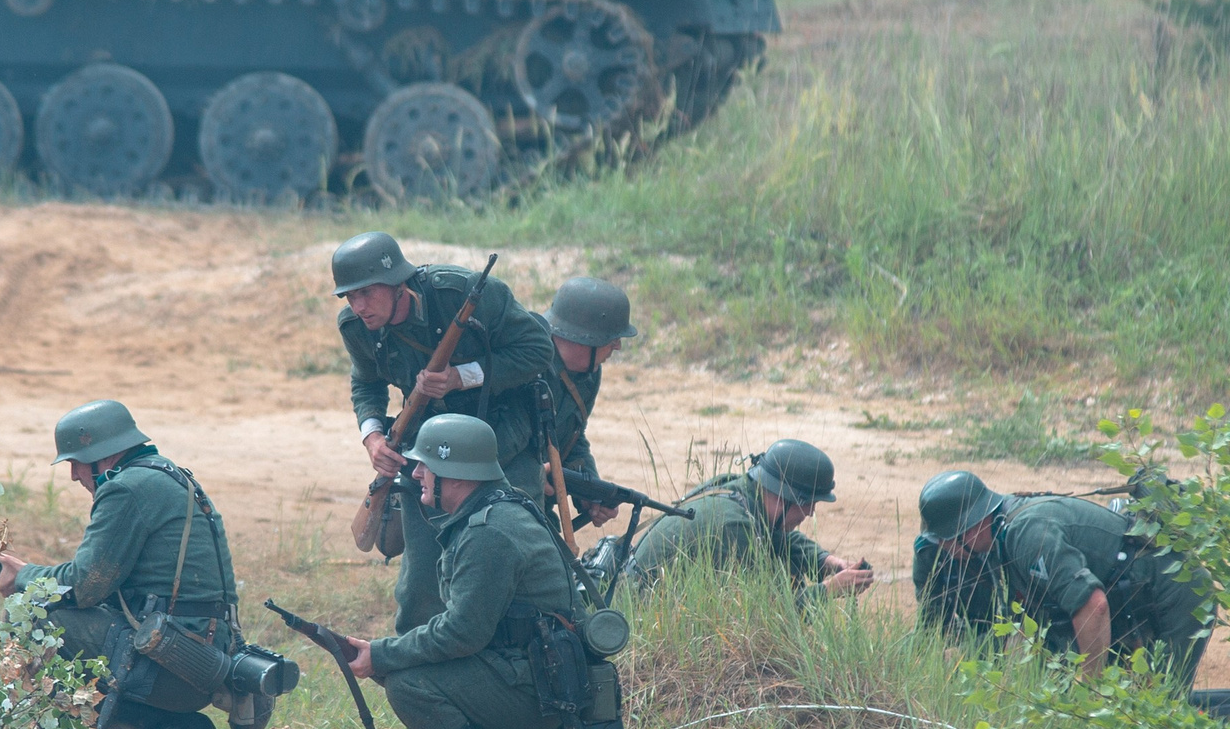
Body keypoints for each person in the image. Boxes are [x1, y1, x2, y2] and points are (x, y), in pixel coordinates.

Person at [337, 414, 604, 729]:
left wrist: (382, 656)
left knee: (409, 685)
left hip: (541, 687)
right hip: (536, 675)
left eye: (427, 465)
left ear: (458, 477)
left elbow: (462, 633)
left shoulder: (490, 532)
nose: (418, 473)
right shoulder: (498, 508)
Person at [0, 399, 237, 729]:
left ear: (101, 456)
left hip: (173, 663)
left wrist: (23, 578)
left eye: (76, 463)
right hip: (201, 659)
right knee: (63, 628)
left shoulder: (125, 489)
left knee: (30, 619)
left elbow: (86, 586)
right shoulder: (165, 474)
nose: (73, 476)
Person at [333, 231, 555, 634]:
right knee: (422, 585)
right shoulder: (356, 327)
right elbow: (366, 384)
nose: (358, 306)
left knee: (520, 561)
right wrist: (373, 437)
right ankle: (416, 672)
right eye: (349, 296)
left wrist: (461, 377)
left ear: (398, 283)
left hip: (501, 439)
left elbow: (538, 350)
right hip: (428, 451)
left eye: (367, 292)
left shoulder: (460, 293)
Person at [913, 470, 1214, 686]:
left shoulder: (1026, 533)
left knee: (1161, 714)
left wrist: (1091, 691)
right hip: (1133, 601)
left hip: (1179, 593)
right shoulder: (999, 535)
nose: (944, 548)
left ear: (972, 529)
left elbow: (1093, 606)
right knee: (1131, 705)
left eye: (947, 539)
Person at [624, 439, 874, 596]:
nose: (811, 512)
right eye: (808, 503)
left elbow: (775, 535)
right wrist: (829, 591)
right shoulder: (732, 527)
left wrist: (826, 561)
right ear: (786, 497)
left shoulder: (739, 490)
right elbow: (774, 614)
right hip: (637, 615)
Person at [535, 277, 637, 528]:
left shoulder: (588, 375)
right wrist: (533, 477)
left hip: (537, 502)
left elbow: (571, 439)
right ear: (585, 337)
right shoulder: (529, 365)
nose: (618, 346)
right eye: (610, 338)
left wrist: (590, 491)